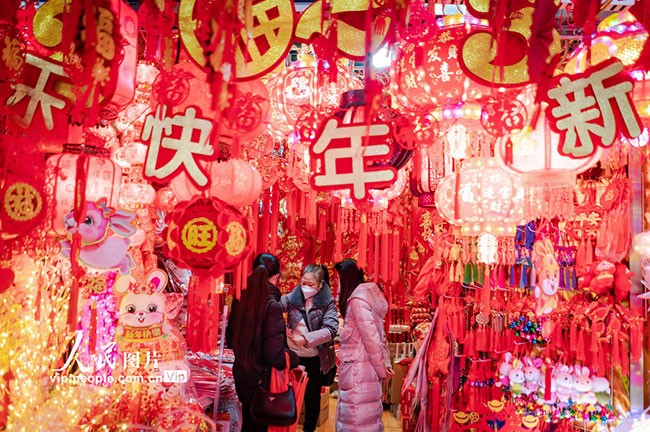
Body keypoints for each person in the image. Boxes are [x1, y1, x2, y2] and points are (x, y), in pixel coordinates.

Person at [226, 253, 299, 432]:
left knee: (249, 424)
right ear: (275, 277)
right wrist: (293, 359)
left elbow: (230, 339)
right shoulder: (272, 305)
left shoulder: (240, 299)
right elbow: (274, 355)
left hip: (242, 375)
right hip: (262, 380)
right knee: (260, 426)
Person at [334, 259, 394, 432]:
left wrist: (382, 369)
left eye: (339, 278)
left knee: (356, 421)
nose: (338, 284)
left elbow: (373, 340)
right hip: (364, 371)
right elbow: (378, 337)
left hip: (358, 373)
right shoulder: (364, 298)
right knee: (364, 421)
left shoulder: (358, 301)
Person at [281, 264, 339, 432]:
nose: (306, 287)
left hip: (314, 358)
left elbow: (330, 329)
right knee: (289, 396)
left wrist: (306, 338)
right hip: (292, 356)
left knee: (311, 399)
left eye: (311, 284)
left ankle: (309, 429)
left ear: (320, 285)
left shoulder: (327, 302)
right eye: (303, 282)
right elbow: (276, 307)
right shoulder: (293, 297)